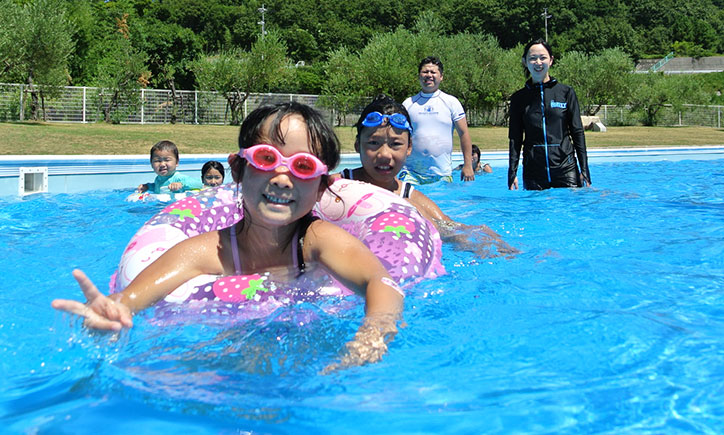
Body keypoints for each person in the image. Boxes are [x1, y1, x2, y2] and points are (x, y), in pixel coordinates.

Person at [52, 102, 405, 370]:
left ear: (321, 187)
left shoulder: (317, 240)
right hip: (229, 350)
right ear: (238, 169)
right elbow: (130, 298)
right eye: (267, 159)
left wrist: (370, 337)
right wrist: (111, 312)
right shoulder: (208, 251)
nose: (283, 178)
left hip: (312, 347)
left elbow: (380, 282)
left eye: (303, 166)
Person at [342, 96, 517, 258]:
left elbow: (450, 228)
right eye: (373, 143)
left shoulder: (409, 197)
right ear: (358, 145)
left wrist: (477, 235)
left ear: (409, 148)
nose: (385, 154)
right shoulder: (337, 185)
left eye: (396, 144)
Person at [508, 39, 591, 191]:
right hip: (534, 171)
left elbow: (577, 132)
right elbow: (515, 137)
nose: (538, 62)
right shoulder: (519, 98)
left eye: (542, 57)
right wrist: (512, 172)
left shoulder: (566, 93)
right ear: (525, 62)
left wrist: (584, 170)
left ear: (551, 60)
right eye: (532, 58)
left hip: (566, 168)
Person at [402, 56, 474, 183]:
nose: (429, 75)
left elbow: (464, 133)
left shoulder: (451, 102)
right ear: (419, 75)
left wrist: (467, 165)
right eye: (425, 72)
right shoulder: (408, 104)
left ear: (441, 76)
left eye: (433, 72)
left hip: (442, 173)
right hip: (411, 172)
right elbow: (398, 135)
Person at [136, 140, 202, 194]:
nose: (162, 164)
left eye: (167, 160)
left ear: (176, 162)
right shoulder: (158, 179)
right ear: (151, 164)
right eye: (157, 161)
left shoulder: (179, 178)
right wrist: (148, 186)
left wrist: (182, 184)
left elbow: (200, 184)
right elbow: (157, 187)